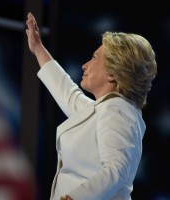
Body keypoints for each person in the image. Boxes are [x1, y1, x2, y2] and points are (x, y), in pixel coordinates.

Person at [25, 11, 157, 200]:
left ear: (112, 73)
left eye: (94, 58)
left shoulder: (118, 111)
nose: (85, 65)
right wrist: (38, 48)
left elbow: (116, 169)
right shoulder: (105, 109)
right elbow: (67, 93)